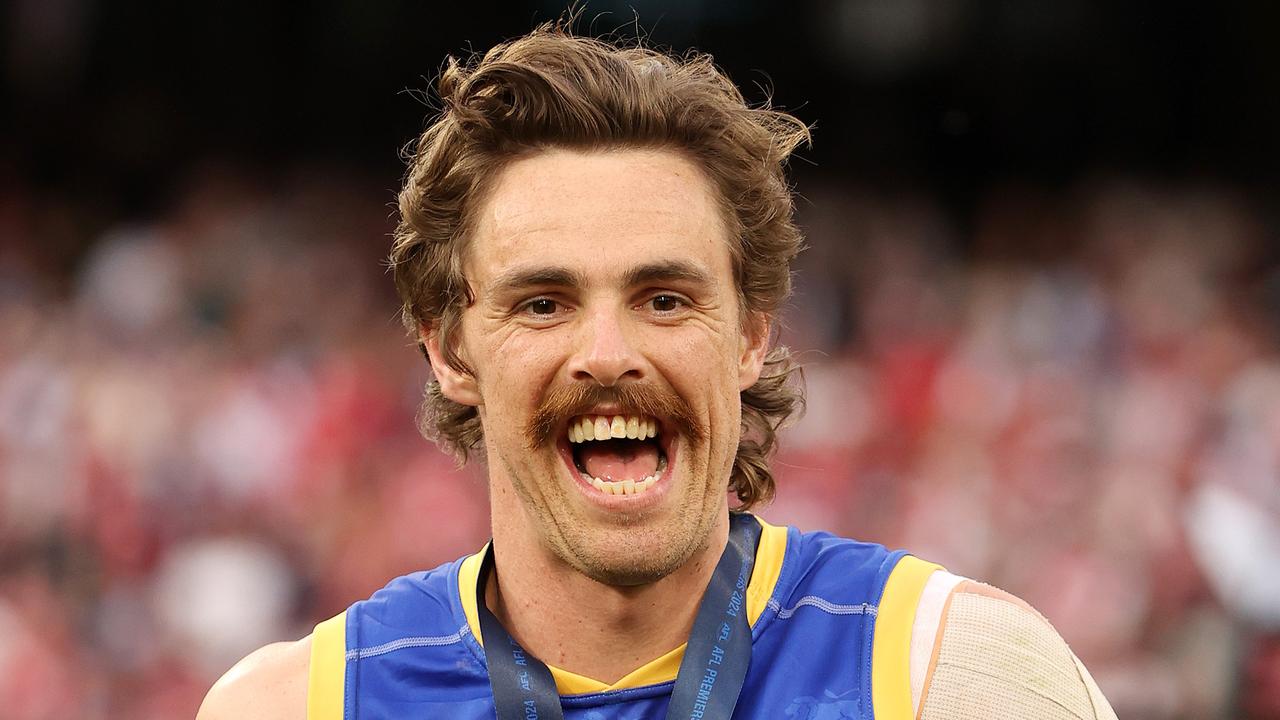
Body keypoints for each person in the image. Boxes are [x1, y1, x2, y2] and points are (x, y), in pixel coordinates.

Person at [198, 22, 1117, 720]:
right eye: (543, 303)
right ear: (449, 352)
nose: (609, 355)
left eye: (665, 298)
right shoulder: (298, 705)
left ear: (752, 335)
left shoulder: (952, 675)